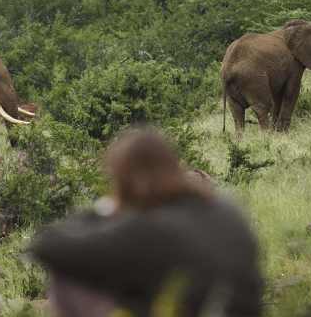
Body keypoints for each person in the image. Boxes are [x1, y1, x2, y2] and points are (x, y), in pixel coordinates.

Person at [29, 128, 264, 317]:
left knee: (68, 277)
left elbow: (45, 245)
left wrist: (104, 208)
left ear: (128, 182)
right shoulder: (227, 209)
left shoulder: (148, 227)